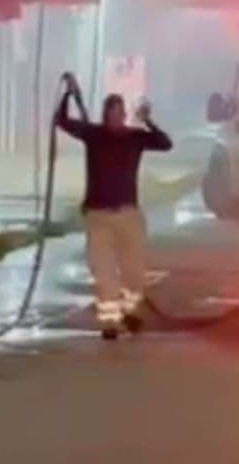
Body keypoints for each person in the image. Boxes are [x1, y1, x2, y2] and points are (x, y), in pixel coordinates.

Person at [56, 72, 173, 340]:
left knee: (134, 271)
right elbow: (61, 121)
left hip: (128, 214)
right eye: (112, 113)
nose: (117, 118)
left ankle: (131, 312)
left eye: (120, 113)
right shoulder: (93, 135)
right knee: (103, 272)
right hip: (99, 216)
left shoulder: (135, 137)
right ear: (105, 115)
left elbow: (165, 144)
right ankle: (110, 323)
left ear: (125, 115)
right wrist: (68, 94)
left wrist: (148, 121)